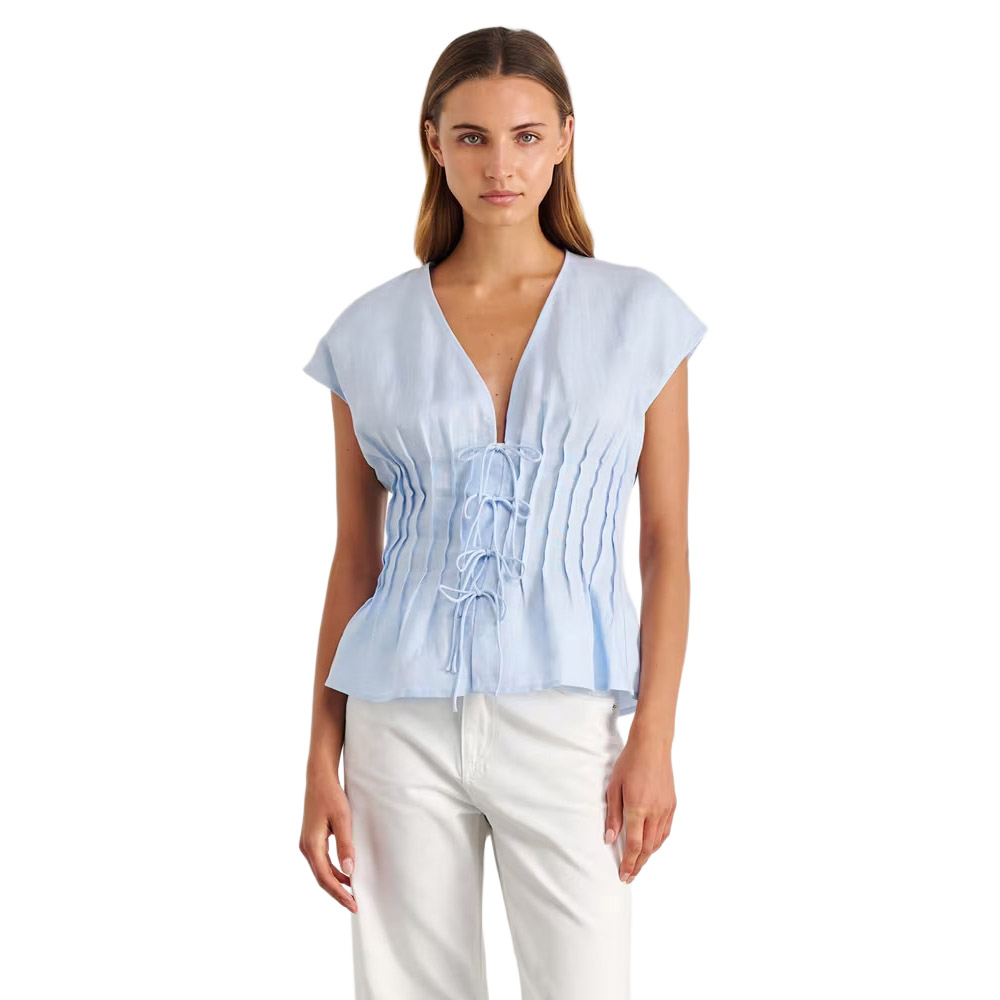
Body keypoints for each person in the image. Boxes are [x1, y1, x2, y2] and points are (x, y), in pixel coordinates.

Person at [299, 26, 707, 1000]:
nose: (500, 166)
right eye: (472, 137)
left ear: (564, 138)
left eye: (525, 136)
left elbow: (665, 544)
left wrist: (654, 735)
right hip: (398, 719)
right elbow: (355, 560)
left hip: (566, 718)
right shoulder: (367, 333)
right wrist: (320, 757)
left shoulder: (639, 316)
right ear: (433, 143)